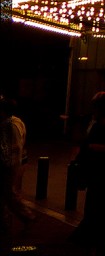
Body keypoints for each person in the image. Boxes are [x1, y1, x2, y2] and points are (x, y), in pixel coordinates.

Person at [69, 91, 105, 254]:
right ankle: (96, 237)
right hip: (96, 173)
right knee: (95, 205)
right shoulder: (98, 125)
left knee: (104, 206)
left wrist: (93, 147)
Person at [1, 95, 34, 242]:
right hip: (10, 164)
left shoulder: (12, 124)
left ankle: (27, 217)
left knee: (9, 194)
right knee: (7, 194)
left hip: (10, 165)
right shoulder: (7, 122)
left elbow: (15, 149)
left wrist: (9, 166)